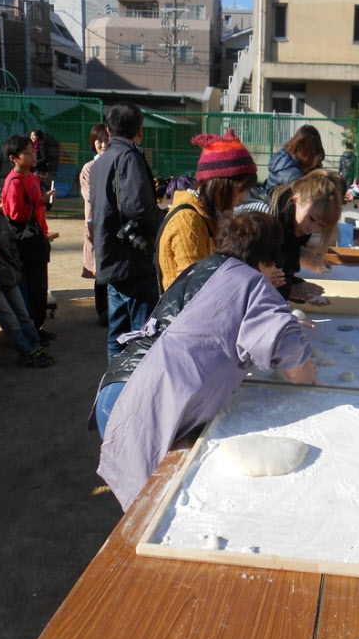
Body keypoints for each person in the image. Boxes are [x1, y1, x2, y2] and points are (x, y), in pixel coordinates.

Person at [91, 211, 316, 511]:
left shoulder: (205, 266)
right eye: (273, 263)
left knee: (146, 505)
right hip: (146, 403)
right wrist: (308, 369)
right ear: (265, 259)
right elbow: (294, 363)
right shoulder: (253, 283)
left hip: (118, 386)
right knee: (153, 515)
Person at [90, 103, 166, 362]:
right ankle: (135, 385)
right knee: (142, 335)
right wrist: (163, 220)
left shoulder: (101, 162)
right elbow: (138, 208)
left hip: (111, 258)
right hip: (133, 261)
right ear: (139, 130)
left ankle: (113, 383)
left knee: (118, 334)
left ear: (109, 131)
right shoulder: (129, 157)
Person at [156, 129, 258, 293]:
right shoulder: (187, 222)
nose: (243, 197)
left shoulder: (209, 216)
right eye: (241, 189)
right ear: (220, 185)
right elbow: (196, 291)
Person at [240, 169, 343, 300]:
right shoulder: (264, 219)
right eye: (311, 219)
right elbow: (247, 274)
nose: (311, 229)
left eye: (320, 225)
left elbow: (279, 274)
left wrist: (298, 288)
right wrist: (290, 290)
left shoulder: (295, 229)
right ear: (296, 199)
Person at [0, 164, 53, 367]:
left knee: (23, 315)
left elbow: (10, 247)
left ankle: (35, 346)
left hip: (8, 274)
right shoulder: (13, 184)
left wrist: (14, 268)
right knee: (10, 321)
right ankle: (27, 352)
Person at [1, 135, 57, 338]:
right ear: (13, 158)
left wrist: (45, 202)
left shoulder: (32, 177)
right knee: (31, 288)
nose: (33, 155)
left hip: (38, 238)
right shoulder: (14, 182)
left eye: (32, 151)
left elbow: (36, 206)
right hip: (26, 244)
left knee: (40, 287)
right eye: (26, 152)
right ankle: (31, 331)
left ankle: (37, 328)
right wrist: (40, 203)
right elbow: (16, 215)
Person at [79, 123, 109, 326]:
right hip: (96, 226)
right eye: (99, 140)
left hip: (113, 226)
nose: (103, 144)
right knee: (100, 271)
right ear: (93, 143)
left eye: (107, 140)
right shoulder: (88, 168)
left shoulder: (116, 164)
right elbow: (90, 196)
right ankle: (102, 311)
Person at [264, 124, 325, 190]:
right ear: (307, 155)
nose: (314, 165)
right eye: (314, 161)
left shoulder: (284, 157)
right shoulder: (294, 176)